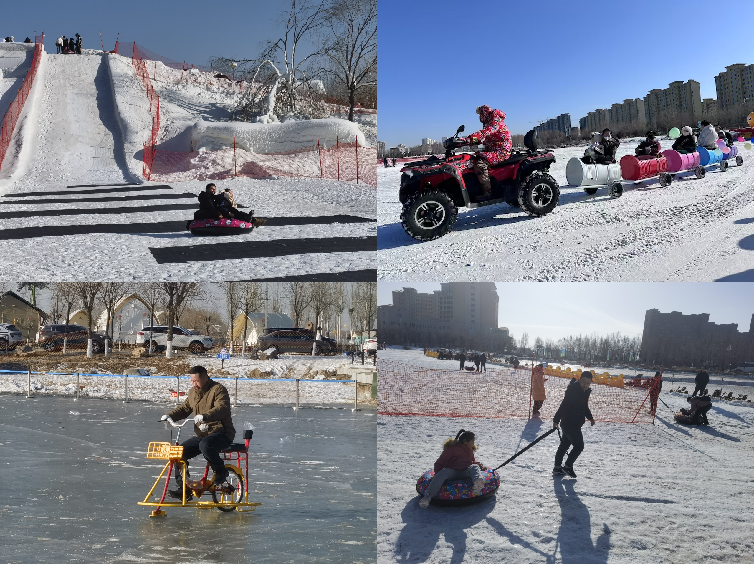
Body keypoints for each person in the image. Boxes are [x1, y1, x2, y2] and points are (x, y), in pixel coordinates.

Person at [160, 366, 235, 499]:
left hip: (222, 433)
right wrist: (169, 416)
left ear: (206, 377)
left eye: (197, 381)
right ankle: (184, 488)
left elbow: (221, 408)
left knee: (205, 445)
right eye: (192, 381)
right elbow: (184, 409)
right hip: (202, 433)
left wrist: (205, 416)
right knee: (178, 453)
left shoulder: (218, 390)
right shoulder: (192, 393)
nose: (194, 384)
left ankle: (221, 472)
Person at [418, 429, 487, 508]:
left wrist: (481, 466)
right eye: (472, 441)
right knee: (444, 472)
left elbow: (473, 461)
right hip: (453, 472)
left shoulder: (470, 450)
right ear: (465, 441)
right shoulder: (452, 450)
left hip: (466, 472)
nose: (474, 443)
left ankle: (477, 485)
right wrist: (438, 475)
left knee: (475, 467)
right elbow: (440, 462)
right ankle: (427, 497)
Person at [552, 371, 595, 478]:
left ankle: (557, 468)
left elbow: (584, 407)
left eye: (588, 382)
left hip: (571, 424)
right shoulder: (574, 392)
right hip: (571, 424)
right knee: (579, 446)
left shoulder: (584, 392)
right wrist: (556, 420)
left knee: (564, 446)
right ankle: (567, 466)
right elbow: (564, 406)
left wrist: (590, 418)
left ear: (590, 383)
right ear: (580, 380)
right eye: (583, 381)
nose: (585, 384)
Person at [465, 105, 512, 197]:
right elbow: (484, 138)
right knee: (472, 160)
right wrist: (468, 141)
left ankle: (488, 192)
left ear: (484, 113)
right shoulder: (488, 121)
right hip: (494, 150)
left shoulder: (495, 119)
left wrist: (470, 138)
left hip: (501, 151)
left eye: (480, 114)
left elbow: (487, 131)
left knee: (480, 164)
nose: (479, 117)